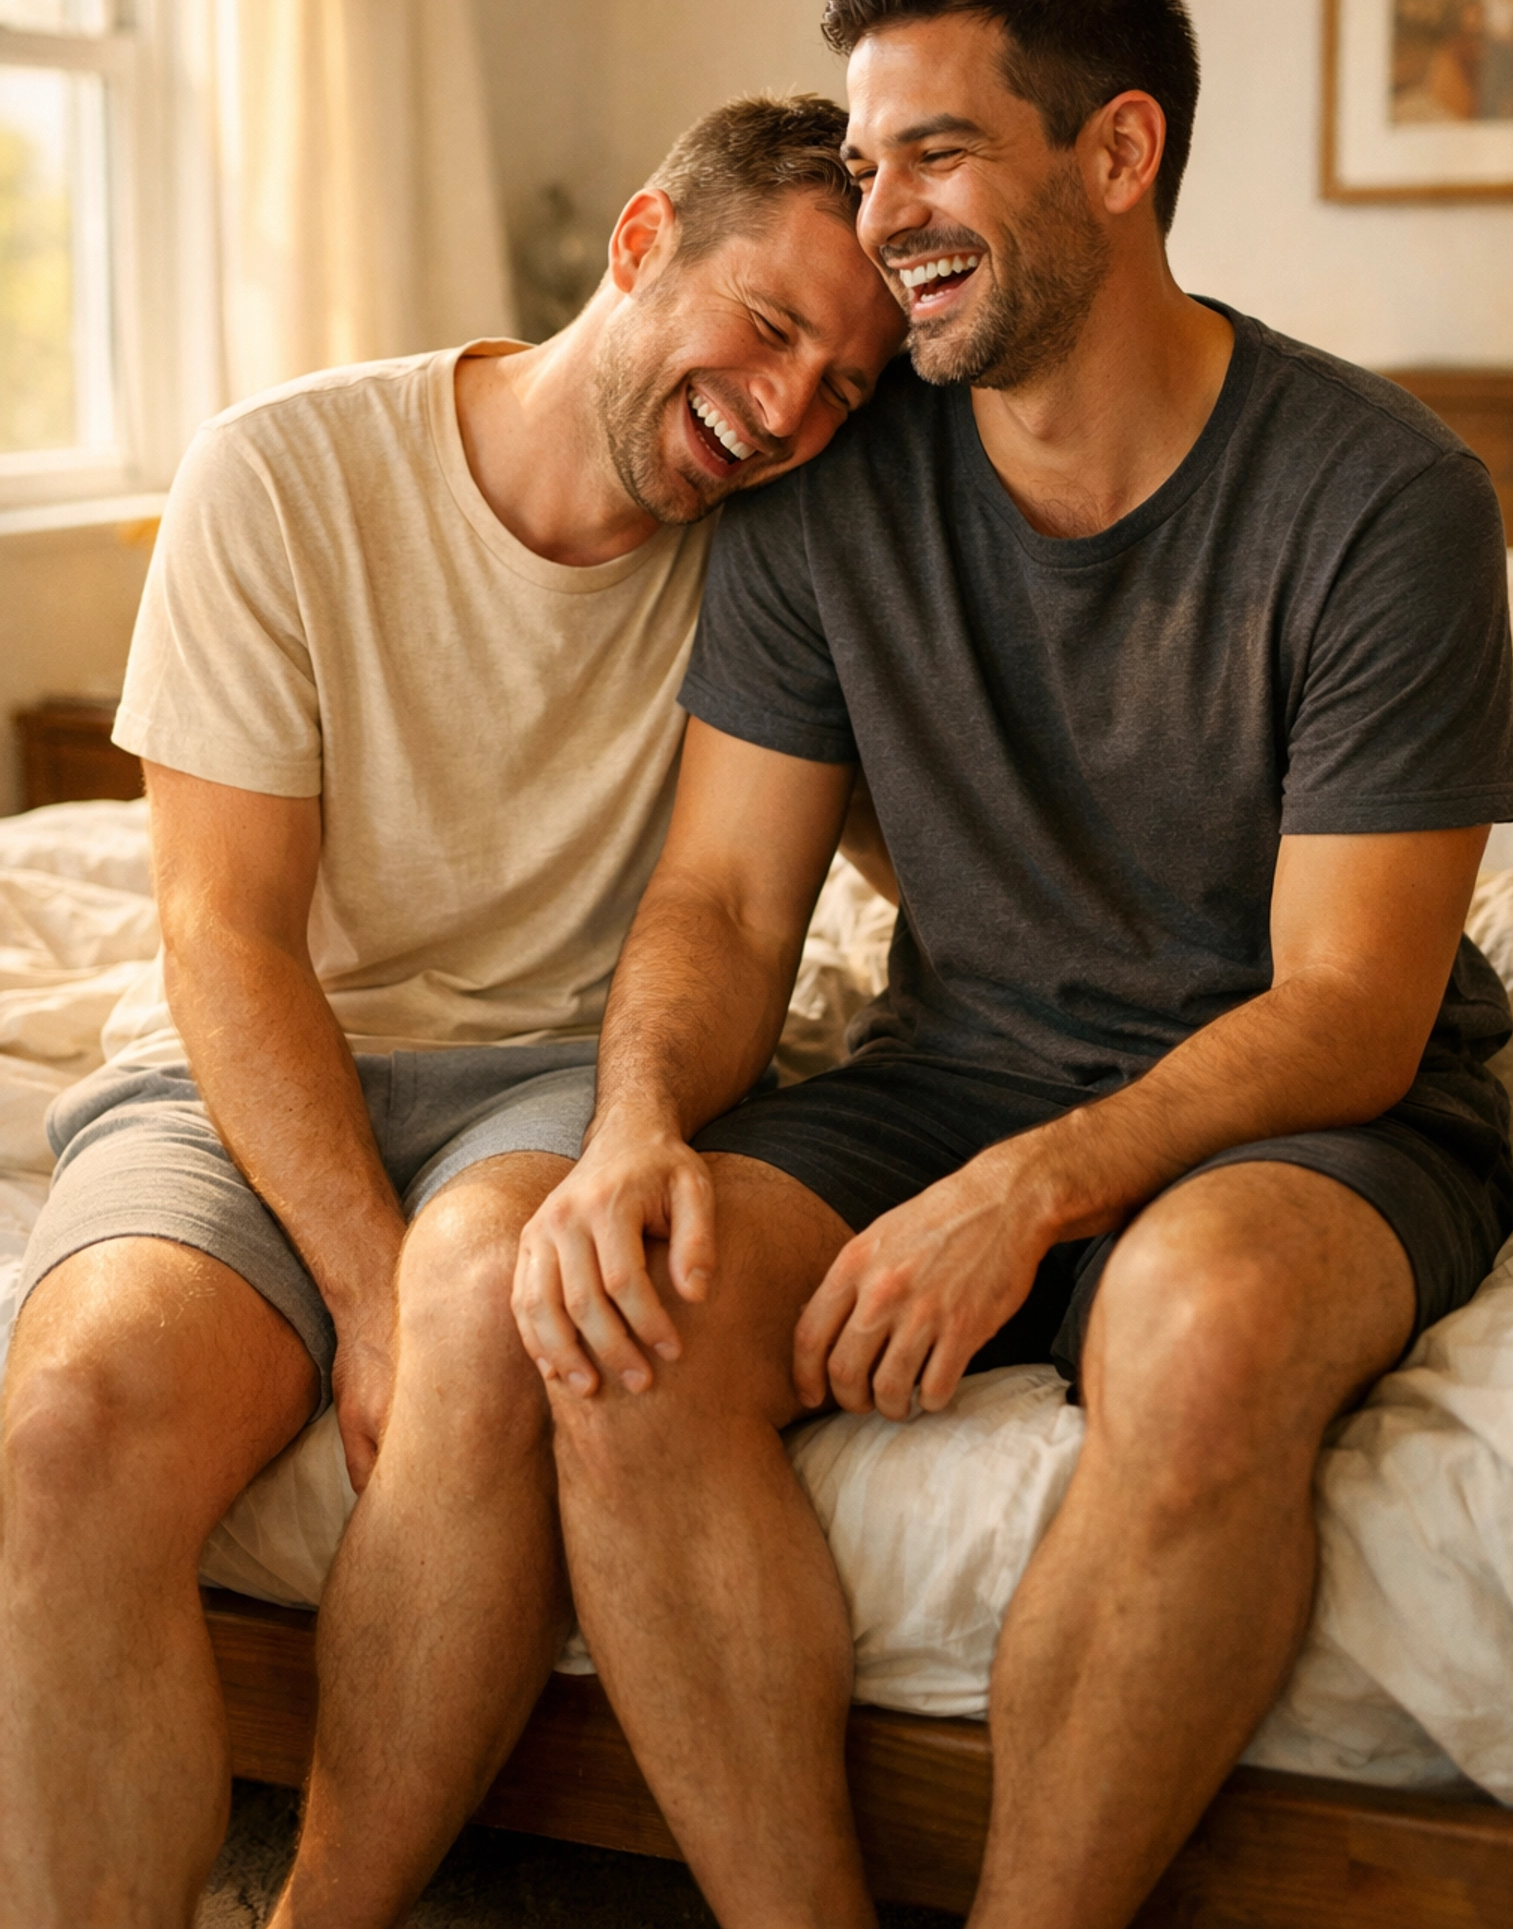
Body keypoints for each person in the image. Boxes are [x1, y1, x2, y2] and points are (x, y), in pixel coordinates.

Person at [515, 0, 1513, 1929]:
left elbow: (1349, 1005)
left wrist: (1034, 1195)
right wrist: (633, 1133)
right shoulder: (832, 487)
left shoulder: (1380, 494)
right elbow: (722, 900)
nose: (881, 214)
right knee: (635, 1337)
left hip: (1309, 1115)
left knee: (1211, 1322)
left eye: (938, 155)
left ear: (1120, 155)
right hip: (952, 1066)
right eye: (867, 163)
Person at [0, 94, 903, 1929]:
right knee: (64, 1434)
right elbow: (225, 941)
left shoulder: (793, 544)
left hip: (567, 1068)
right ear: (641, 243)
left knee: (498, 1302)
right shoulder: (285, 473)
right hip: (251, 1063)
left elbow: (864, 858)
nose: (793, 409)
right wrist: (356, 1288)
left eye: (849, 382)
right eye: (772, 326)